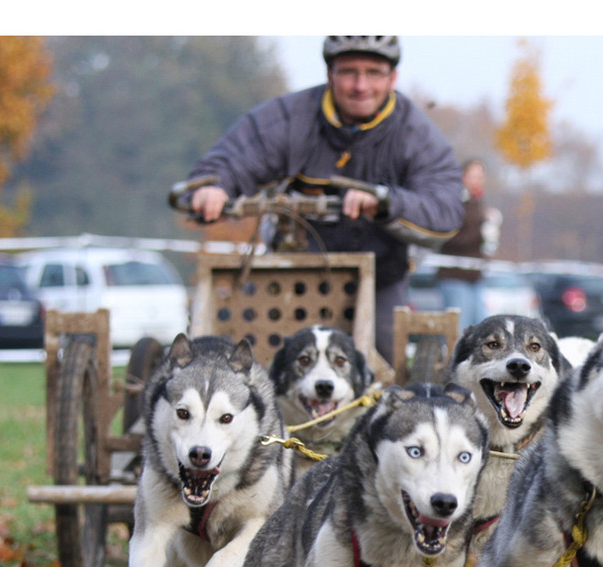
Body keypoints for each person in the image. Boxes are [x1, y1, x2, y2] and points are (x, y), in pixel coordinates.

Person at [188, 36, 465, 363]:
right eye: (348, 72)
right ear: (329, 74)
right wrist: (215, 187)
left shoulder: (413, 133)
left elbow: (445, 207)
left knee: (387, 364)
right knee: (243, 346)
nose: (361, 85)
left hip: (378, 277)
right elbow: (237, 155)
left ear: (393, 77)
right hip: (291, 271)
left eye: (373, 73)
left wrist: (387, 202)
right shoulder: (292, 118)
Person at [436, 158, 501, 327]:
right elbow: (448, 237)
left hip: (476, 277)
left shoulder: (479, 203)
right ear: (463, 177)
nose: (477, 180)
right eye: (473, 176)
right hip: (454, 276)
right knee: (459, 332)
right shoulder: (453, 202)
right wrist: (481, 229)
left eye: (480, 176)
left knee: (481, 329)